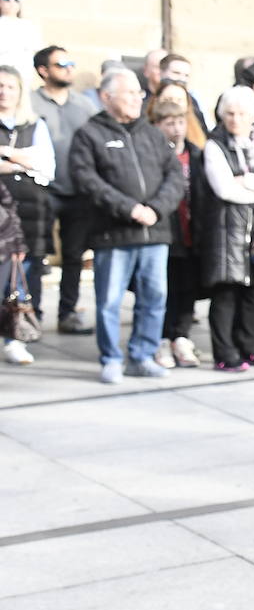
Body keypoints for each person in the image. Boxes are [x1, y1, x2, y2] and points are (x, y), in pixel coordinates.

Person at [68, 68, 185, 385]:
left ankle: (142, 355)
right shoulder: (90, 135)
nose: (137, 99)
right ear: (107, 97)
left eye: (139, 93)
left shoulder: (152, 133)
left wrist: (156, 209)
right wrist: (129, 208)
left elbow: (175, 176)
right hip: (114, 234)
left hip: (155, 232)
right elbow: (88, 181)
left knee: (155, 297)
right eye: (129, 93)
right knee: (109, 301)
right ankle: (111, 359)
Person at [197, 87, 254, 372]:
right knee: (226, 293)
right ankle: (225, 352)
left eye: (242, 114)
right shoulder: (214, 144)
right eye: (230, 114)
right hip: (227, 230)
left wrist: (245, 181)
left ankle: (250, 347)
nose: (236, 119)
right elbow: (223, 188)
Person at [31, 45, 100, 333]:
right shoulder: (30, 103)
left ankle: (68, 313)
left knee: (74, 255)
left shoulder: (85, 105)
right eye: (61, 64)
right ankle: (30, 314)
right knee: (36, 254)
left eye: (71, 63)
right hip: (41, 190)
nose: (69, 68)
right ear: (43, 71)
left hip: (78, 192)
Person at [0, 65, 55, 327]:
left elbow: (46, 165)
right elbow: (32, 160)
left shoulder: (35, 125)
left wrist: (5, 155)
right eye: (0, 86)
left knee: (27, 271)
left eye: (10, 86)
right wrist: (24, 159)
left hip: (31, 211)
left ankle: (20, 329)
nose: (4, 92)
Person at [151, 97, 202, 369]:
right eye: (169, 123)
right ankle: (162, 338)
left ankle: (181, 336)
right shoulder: (154, 155)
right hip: (166, 232)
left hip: (192, 231)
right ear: (157, 125)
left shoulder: (195, 154)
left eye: (181, 122)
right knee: (165, 290)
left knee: (187, 289)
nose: (177, 128)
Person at [0, 181, 29, 364]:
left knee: (9, 298)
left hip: (3, 246)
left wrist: (18, 242)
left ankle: (13, 342)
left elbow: (9, 206)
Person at [146, 80, 207, 149]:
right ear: (156, 101)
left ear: (187, 104)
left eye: (179, 100)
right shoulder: (145, 129)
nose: (174, 104)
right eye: (168, 100)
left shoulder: (196, 126)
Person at [0, 0, 41, 73]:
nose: (12, 3)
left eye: (16, 0)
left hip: (23, 72)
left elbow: (37, 50)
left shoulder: (28, 25)